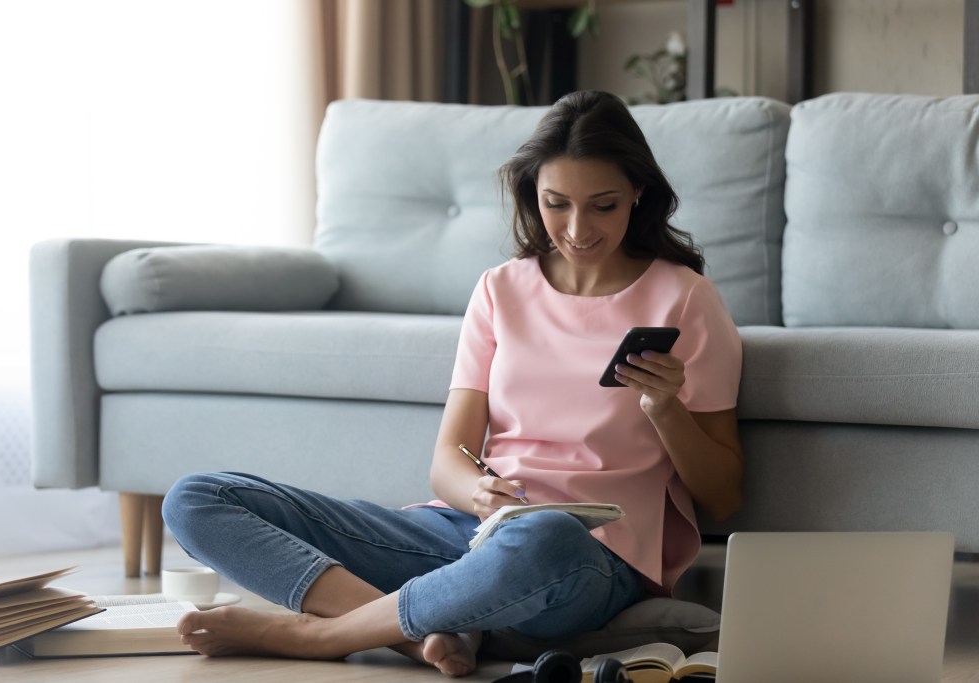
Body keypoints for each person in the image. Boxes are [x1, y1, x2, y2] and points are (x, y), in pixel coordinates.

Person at [161, 89, 744, 677]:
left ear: (638, 193)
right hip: (467, 533)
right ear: (531, 195)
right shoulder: (500, 289)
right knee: (197, 497)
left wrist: (666, 408)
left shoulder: (685, 298)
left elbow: (722, 496)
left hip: (589, 556)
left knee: (545, 536)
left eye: (603, 205)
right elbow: (448, 459)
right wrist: (476, 494)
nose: (576, 228)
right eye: (555, 203)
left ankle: (321, 636)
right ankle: (421, 635)